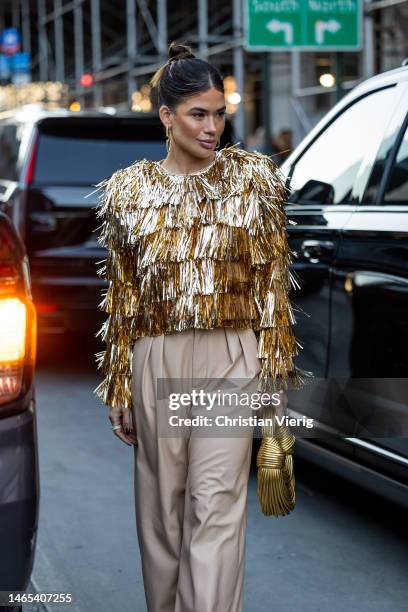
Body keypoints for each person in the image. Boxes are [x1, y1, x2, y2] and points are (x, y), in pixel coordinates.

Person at [94, 41, 311, 612]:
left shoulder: (254, 181)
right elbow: (123, 295)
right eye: (198, 114)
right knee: (162, 517)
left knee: (215, 509)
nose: (213, 126)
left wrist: (273, 377)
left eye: (220, 113)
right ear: (167, 116)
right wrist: (119, 382)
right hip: (155, 356)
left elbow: (271, 285)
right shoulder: (129, 191)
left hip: (232, 358)